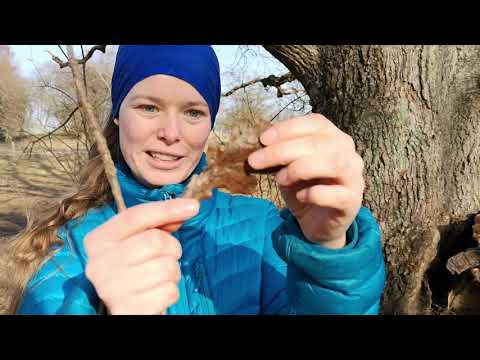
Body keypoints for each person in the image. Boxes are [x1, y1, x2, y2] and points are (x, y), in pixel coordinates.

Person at [12, 45, 385, 315]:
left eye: (192, 112)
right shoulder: (64, 248)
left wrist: (329, 249)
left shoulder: (264, 228)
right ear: (117, 116)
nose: (171, 133)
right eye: (149, 107)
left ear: (209, 124)